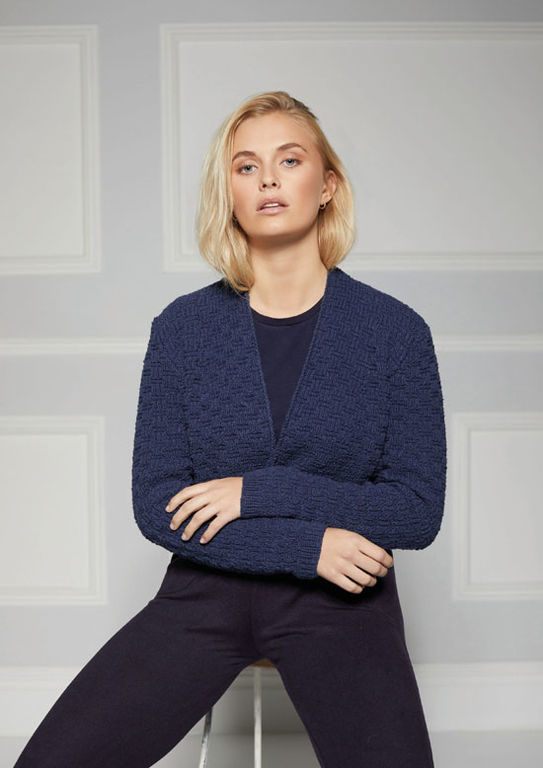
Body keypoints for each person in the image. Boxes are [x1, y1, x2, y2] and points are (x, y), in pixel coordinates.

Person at [14, 90, 446, 767]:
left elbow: (415, 511)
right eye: (246, 167)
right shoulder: (183, 329)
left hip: (340, 602)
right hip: (205, 593)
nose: (268, 179)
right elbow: (157, 503)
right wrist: (305, 546)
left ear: (327, 185)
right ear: (230, 194)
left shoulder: (395, 332)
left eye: (289, 160)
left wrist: (258, 491)